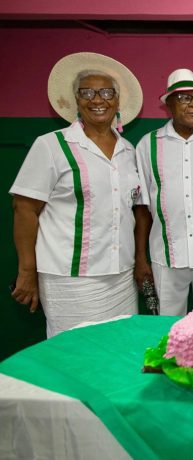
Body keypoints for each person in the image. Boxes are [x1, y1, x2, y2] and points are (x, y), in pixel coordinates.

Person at [10, 52, 143, 337]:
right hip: (69, 279)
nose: (98, 100)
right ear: (76, 101)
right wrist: (26, 272)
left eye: (107, 92)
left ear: (118, 101)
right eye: (88, 93)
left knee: (119, 349)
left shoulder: (128, 150)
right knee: (74, 355)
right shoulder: (51, 145)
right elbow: (24, 209)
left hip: (120, 276)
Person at [134, 69, 193, 315]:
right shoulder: (148, 144)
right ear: (169, 105)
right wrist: (141, 258)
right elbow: (143, 206)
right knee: (166, 327)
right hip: (165, 256)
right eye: (185, 98)